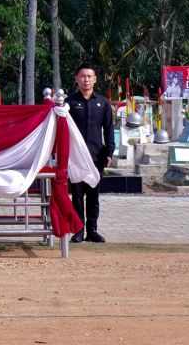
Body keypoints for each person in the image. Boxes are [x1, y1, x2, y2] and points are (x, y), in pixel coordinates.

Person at [66, 64, 114, 244]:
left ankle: (92, 230)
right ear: (76, 79)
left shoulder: (103, 103)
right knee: (77, 196)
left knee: (94, 195)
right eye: (82, 76)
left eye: (89, 76)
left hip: (96, 156)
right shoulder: (69, 103)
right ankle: (78, 230)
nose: (86, 79)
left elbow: (109, 129)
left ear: (95, 79)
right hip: (76, 157)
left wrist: (110, 152)